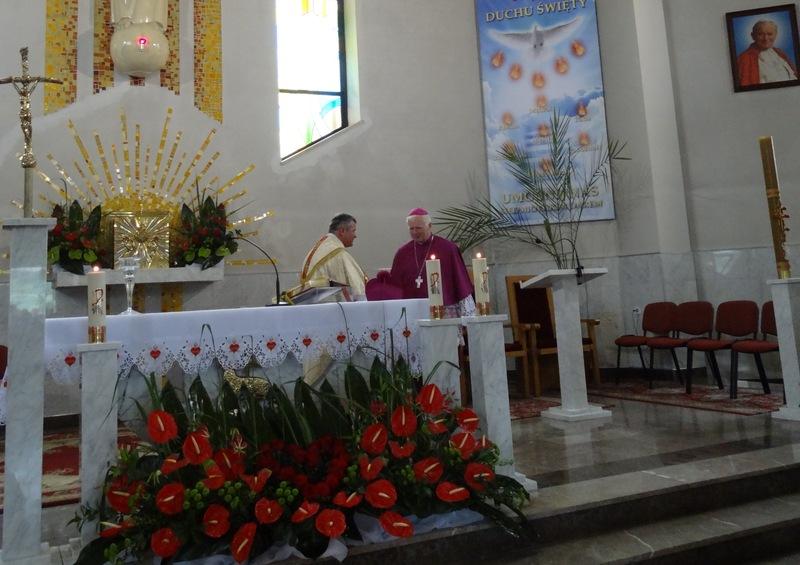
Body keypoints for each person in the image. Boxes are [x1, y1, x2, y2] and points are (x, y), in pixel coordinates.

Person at [389, 208, 476, 317]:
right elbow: (395, 287)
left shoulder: (448, 249)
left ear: (429, 226)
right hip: (412, 311)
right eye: (411, 228)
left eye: (418, 228)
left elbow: (460, 282)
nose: (415, 232)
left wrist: (467, 316)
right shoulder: (402, 253)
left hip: (445, 310)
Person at [298, 213, 367, 301]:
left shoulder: (323, 247)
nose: (355, 236)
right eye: (353, 231)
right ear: (342, 231)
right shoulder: (337, 254)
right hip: (327, 306)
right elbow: (357, 288)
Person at [737, 19, 799, 87]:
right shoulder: (744, 58)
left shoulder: (780, 52)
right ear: (753, 36)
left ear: (775, 35)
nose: (766, 38)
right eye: (760, 34)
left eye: (770, 34)